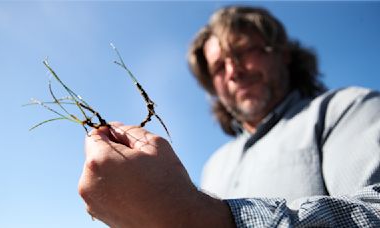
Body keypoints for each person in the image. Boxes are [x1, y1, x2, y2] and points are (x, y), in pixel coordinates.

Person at [78, 6, 380, 227]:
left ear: (283, 54)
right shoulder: (216, 164)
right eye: (219, 67)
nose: (233, 71)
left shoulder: (347, 108)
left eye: (244, 51)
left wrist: (200, 217)